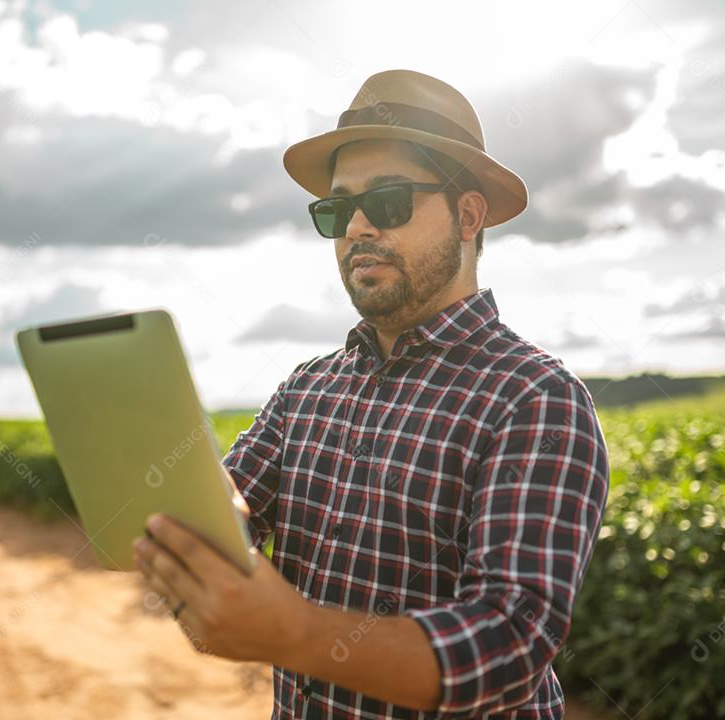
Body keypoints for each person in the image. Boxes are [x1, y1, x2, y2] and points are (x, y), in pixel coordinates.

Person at [132, 68, 610, 720]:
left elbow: (510, 643)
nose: (356, 226)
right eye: (337, 209)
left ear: (467, 214)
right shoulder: (306, 386)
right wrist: (181, 502)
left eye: (387, 202)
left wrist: (293, 631)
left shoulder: (535, 398)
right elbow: (230, 506)